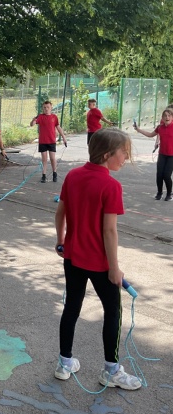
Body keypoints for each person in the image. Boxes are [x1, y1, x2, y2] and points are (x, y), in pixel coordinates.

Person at [54, 128, 141, 390]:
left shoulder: (73, 175)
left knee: (72, 307)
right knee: (113, 311)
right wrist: (114, 268)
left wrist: (60, 241)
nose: (126, 158)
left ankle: (64, 363)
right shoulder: (111, 186)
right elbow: (109, 231)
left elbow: (60, 213)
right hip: (99, 263)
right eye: (123, 152)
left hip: (72, 258)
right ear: (106, 155)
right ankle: (111, 371)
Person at [134, 107, 173, 201]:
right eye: (165, 116)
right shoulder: (160, 127)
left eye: (169, 115)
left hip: (171, 156)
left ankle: (169, 194)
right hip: (162, 154)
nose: (167, 117)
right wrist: (138, 129)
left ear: (172, 117)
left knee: (166, 175)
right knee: (159, 175)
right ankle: (159, 193)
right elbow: (150, 134)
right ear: (162, 118)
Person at [30, 100, 67, 183]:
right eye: (44, 107)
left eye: (48, 107)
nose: (46, 109)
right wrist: (33, 120)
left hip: (51, 141)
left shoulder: (54, 117)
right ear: (42, 108)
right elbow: (32, 124)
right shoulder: (40, 117)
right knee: (44, 159)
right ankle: (44, 175)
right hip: (43, 141)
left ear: (51, 108)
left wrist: (64, 137)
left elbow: (58, 127)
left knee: (52, 158)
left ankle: (54, 173)